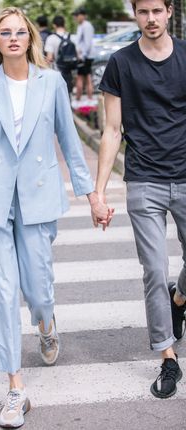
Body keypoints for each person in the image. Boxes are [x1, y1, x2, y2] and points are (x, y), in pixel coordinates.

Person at [0, 6, 109, 428]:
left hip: (39, 198)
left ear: (30, 39)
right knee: (3, 295)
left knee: (39, 290)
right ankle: (15, 390)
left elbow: (68, 139)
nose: (13, 38)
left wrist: (92, 197)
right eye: (4, 33)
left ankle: (46, 322)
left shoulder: (51, 84)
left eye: (19, 32)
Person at [96, 0, 186, 400]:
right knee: (154, 268)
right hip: (144, 180)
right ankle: (167, 357)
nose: (150, 19)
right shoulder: (120, 62)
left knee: (174, 276)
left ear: (169, 12)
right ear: (135, 14)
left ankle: (179, 297)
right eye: (143, 11)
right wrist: (99, 193)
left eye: (157, 11)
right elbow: (112, 130)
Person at [44, 15, 75, 95]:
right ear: (64, 24)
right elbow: (77, 55)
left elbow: (49, 58)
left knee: (58, 94)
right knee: (68, 94)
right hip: (69, 70)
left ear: (54, 25)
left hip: (57, 70)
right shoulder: (72, 37)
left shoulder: (51, 38)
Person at [73, 7, 95, 102]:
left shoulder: (87, 26)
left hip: (85, 56)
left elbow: (87, 43)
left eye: (77, 15)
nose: (75, 17)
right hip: (84, 56)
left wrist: (82, 56)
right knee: (86, 77)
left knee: (82, 78)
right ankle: (87, 98)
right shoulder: (81, 26)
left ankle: (81, 99)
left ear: (83, 15)